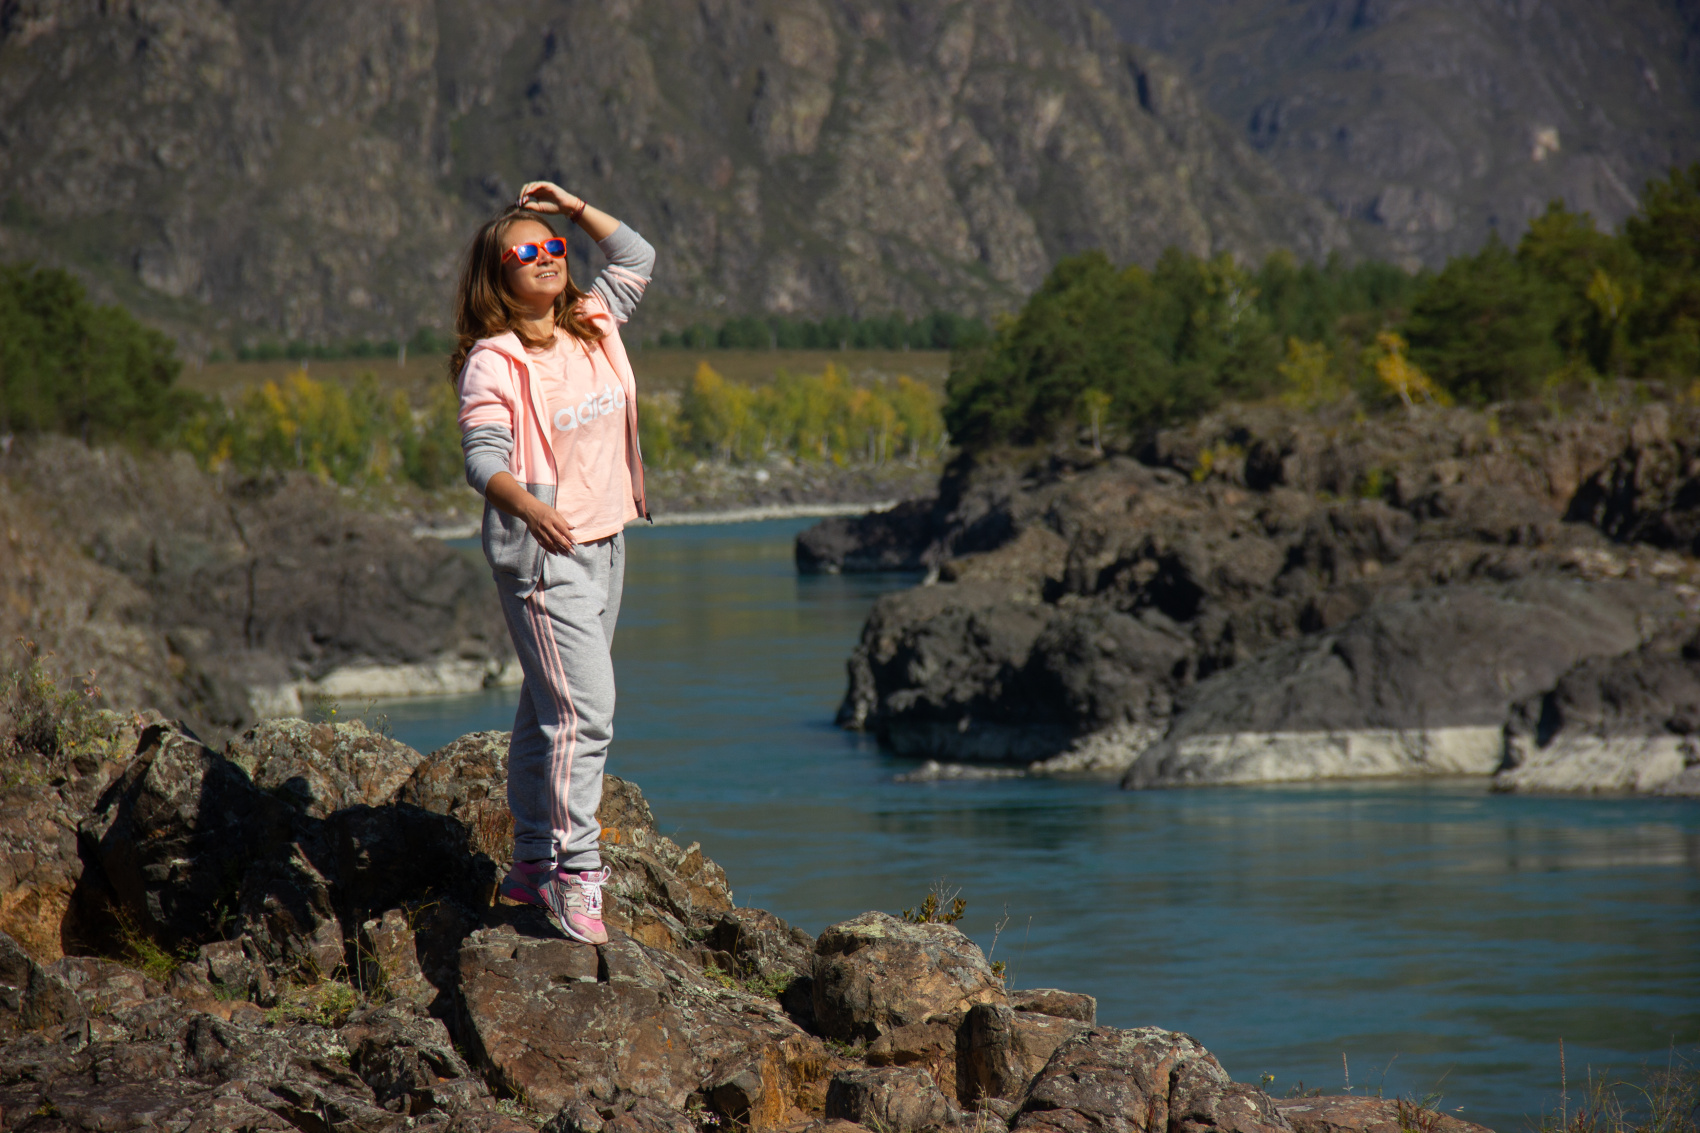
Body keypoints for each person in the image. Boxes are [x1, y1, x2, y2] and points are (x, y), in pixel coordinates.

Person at [450, 180, 654, 944]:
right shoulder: (493, 361)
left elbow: (637, 255)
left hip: (607, 544)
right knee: (585, 714)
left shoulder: (596, 322)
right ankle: (576, 876)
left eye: (554, 247)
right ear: (497, 275)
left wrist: (572, 208)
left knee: (550, 708)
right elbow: (483, 460)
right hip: (545, 555)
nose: (546, 258)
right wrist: (533, 510)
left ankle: (532, 862)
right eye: (525, 251)